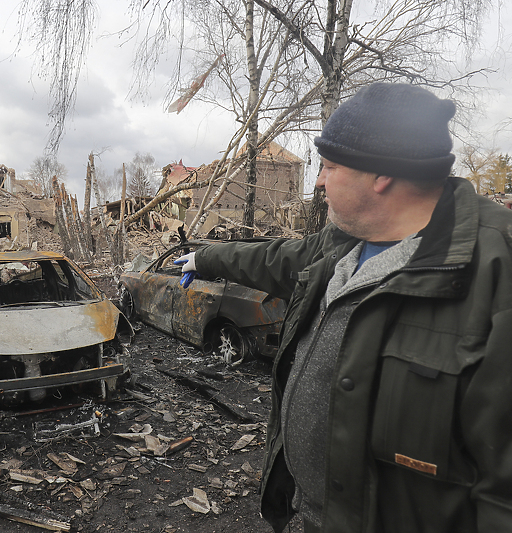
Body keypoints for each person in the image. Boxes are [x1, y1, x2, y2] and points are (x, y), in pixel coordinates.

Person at [175, 83, 512, 532]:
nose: (317, 180)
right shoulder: (346, 243)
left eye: (329, 166)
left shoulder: (494, 273)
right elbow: (274, 259)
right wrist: (203, 257)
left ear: (380, 175)